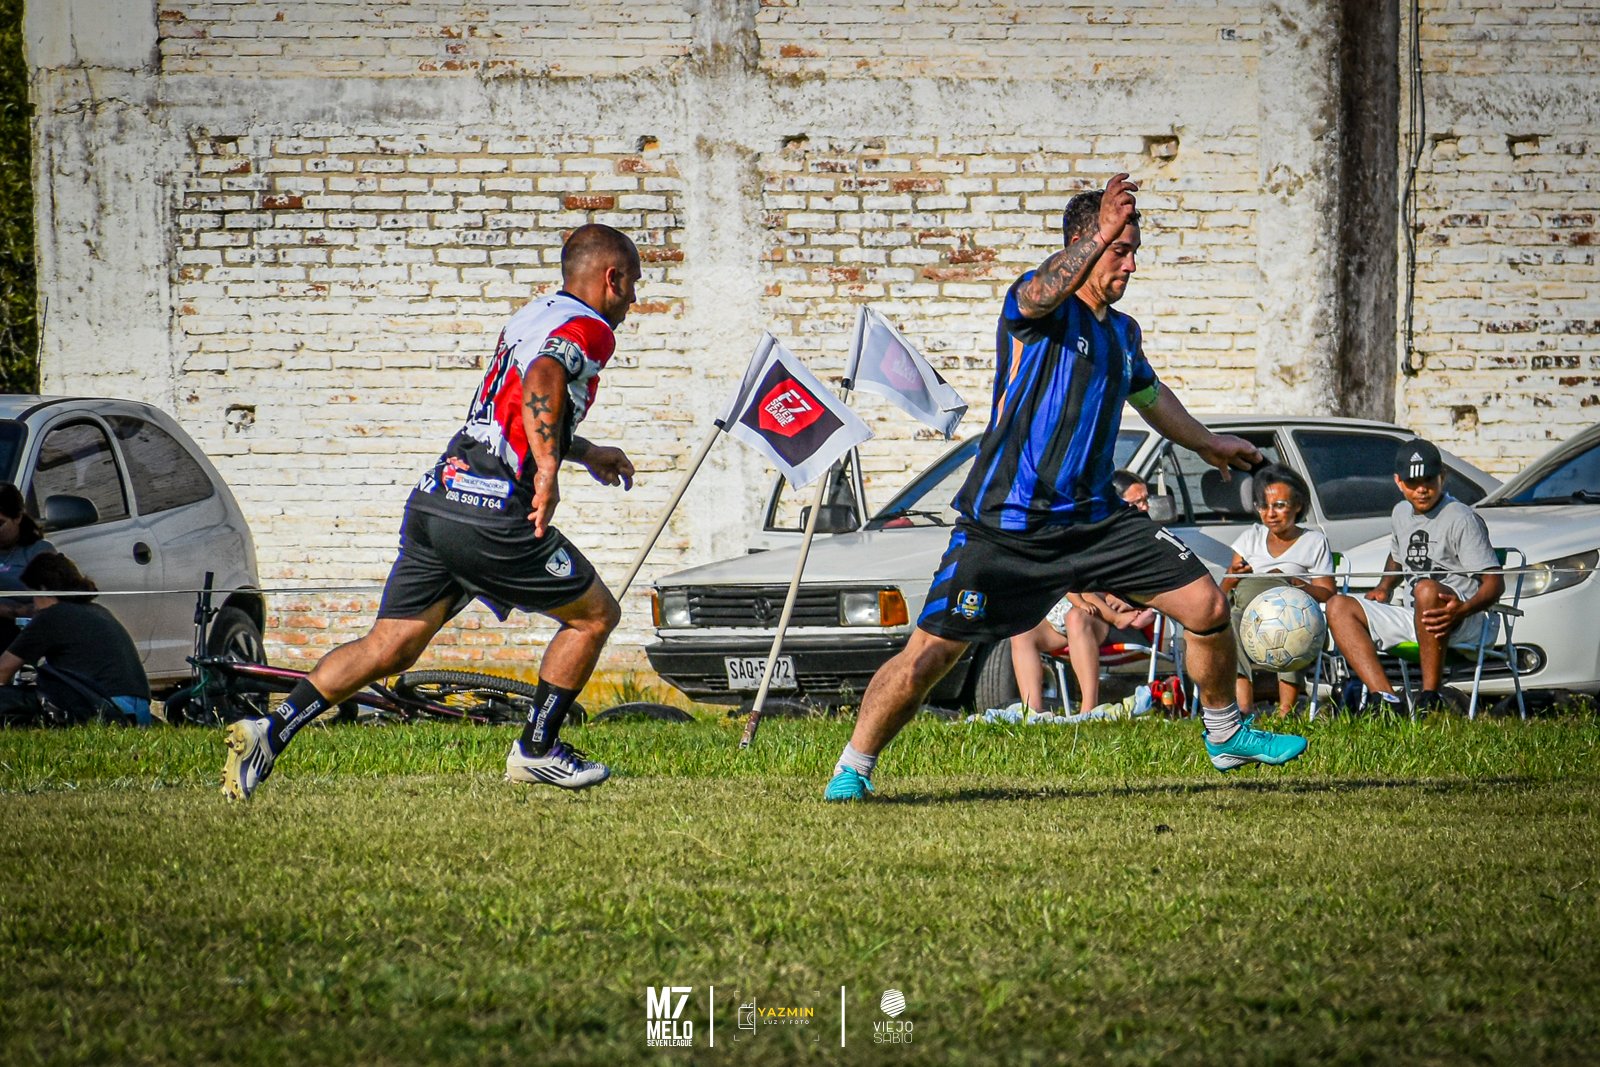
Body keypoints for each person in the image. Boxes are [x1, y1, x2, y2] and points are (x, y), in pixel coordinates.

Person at [824, 173, 1308, 801]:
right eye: (1119, 250)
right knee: (930, 656)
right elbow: (1040, 293)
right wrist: (1098, 234)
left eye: (1133, 252)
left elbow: (1151, 397)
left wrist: (1208, 444)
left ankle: (1224, 733)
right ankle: (852, 768)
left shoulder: (1122, 334)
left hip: (1095, 521)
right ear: (1085, 244)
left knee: (1207, 606)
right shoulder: (1036, 309)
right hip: (1007, 525)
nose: (1130, 264)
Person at [221, 223, 642, 800]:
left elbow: (512, 406)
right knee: (594, 617)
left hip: (439, 497)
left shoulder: (532, 315)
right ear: (611, 278)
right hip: (492, 512)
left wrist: (584, 451)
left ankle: (270, 731)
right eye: (632, 284)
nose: (633, 300)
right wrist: (547, 470)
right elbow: (543, 379)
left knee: (389, 646)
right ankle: (537, 749)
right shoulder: (591, 328)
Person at [1325, 439, 1503, 715]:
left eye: (1429, 480)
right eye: (1412, 482)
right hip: (1416, 614)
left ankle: (1430, 698)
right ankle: (1387, 700)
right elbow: (1398, 556)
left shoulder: (1461, 517)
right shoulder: (1400, 512)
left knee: (1426, 589)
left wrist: (1462, 610)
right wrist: (1384, 587)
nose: (1422, 489)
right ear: (1398, 482)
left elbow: (1495, 583)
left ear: (1443, 476)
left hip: (1462, 618)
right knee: (1338, 605)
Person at [1009, 472, 1155, 713]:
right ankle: (1032, 711)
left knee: (1076, 617)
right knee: (1023, 631)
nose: (1145, 507)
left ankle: (1088, 709)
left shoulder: (1145, 537)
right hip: (1083, 617)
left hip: (1124, 624)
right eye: (1137, 502)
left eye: (1145, 500)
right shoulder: (1090, 535)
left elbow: (1157, 583)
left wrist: (1128, 598)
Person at [1221, 464, 1335, 716]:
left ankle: (1286, 710)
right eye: (1263, 506)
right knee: (1229, 622)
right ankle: (1244, 708)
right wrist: (1232, 577)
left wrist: (1293, 582)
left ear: (1297, 505)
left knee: (1291, 618)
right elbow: (1224, 592)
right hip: (1249, 613)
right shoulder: (1250, 538)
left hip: (1293, 612)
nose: (1270, 514)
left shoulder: (1313, 541)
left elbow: (1328, 593)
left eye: (1279, 505)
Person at [0, 552, 152, 725]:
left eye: (33, 595)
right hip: (139, 712)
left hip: (102, 707)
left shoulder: (51, 616)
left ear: (43, 589)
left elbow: (3, 671)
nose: (33, 604)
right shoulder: (99, 611)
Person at [0, 484, 55, 650]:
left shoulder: (39, 551)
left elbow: (50, 602)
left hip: (24, 631)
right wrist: (12, 610)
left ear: (17, 517)